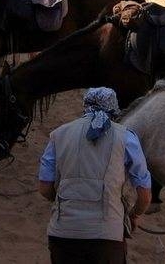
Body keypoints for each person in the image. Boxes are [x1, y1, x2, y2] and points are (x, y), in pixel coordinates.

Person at [38, 87, 152, 264]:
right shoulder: (126, 137)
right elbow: (144, 196)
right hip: (107, 238)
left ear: (85, 105)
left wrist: (65, 199)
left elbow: (45, 188)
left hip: (62, 235)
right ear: (114, 107)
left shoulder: (59, 134)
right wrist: (133, 215)